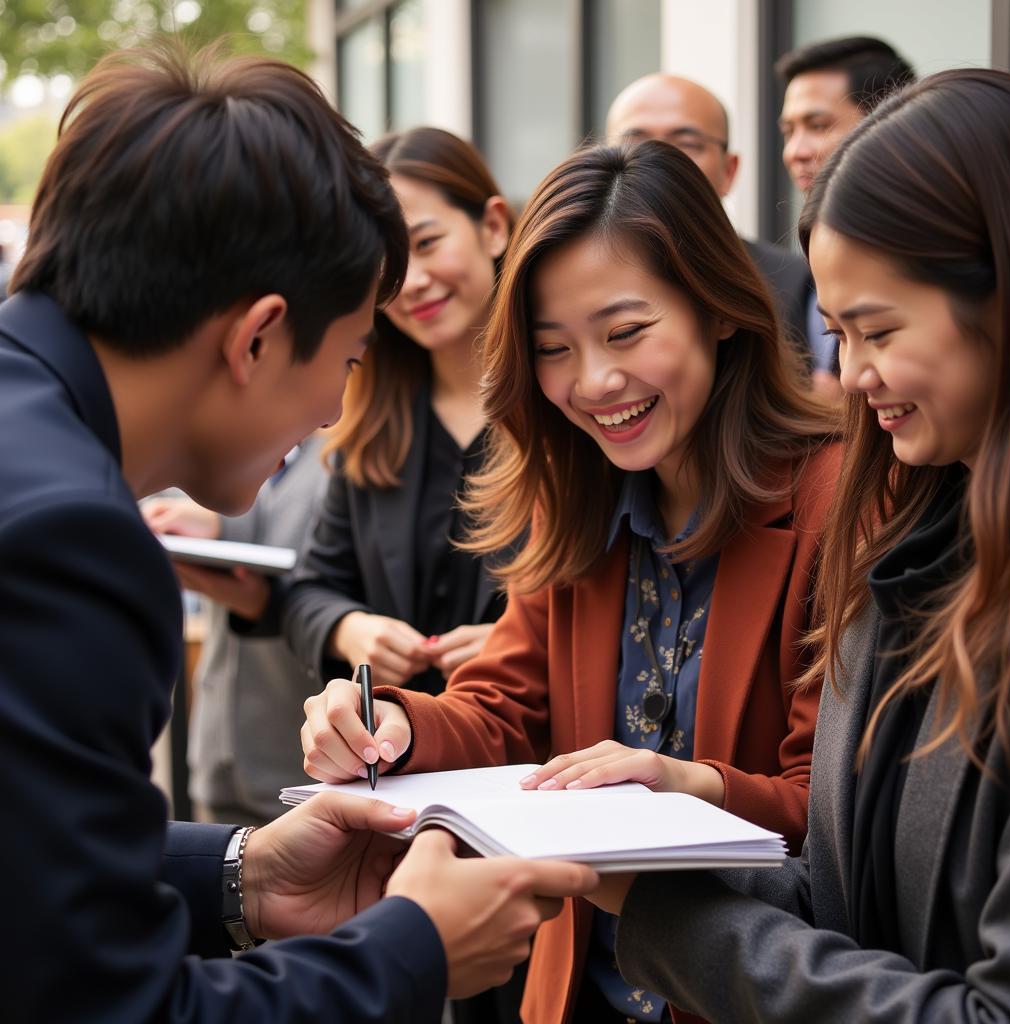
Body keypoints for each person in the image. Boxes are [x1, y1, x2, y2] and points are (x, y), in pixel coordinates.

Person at [0, 41, 598, 1023]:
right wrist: (409, 948)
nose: (331, 411)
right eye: (354, 354)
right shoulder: (74, 545)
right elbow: (109, 1003)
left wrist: (237, 869)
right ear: (258, 337)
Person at [301, 139, 840, 1023]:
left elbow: (831, 809)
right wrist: (391, 724)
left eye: (626, 332)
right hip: (579, 988)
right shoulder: (577, 496)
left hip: (750, 985)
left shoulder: (834, 499)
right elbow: (501, 709)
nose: (594, 382)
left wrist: (682, 781)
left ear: (717, 308)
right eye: (553, 349)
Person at [589, 68, 1010, 1022]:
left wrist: (676, 917)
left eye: (878, 331)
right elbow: (848, 903)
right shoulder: (901, 564)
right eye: (837, 335)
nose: (854, 377)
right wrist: (650, 862)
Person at [283, 127, 516, 698]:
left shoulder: (574, 409)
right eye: (390, 263)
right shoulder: (372, 423)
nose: (411, 282)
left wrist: (522, 647)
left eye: (428, 243)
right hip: (401, 763)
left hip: (543, 768)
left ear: (492, 226)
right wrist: (350, 629)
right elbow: (310, 588)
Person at [143, 432, 329, 826]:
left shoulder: (343, 456)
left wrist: (223, 533)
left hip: (298, 764)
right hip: (220, 756)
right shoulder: (249, 447)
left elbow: (326, 580)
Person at [606, 72, 812, 364]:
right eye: (635, 141)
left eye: (687, 143)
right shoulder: (565, 277)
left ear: (728, 171)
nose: (658, 159)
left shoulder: (790, 283)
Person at [776, 35, 915, 398]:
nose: (795, 151)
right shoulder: (796, 273)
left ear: (885, 123)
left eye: (818, 125)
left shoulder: (929, 255)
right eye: (788, 131)